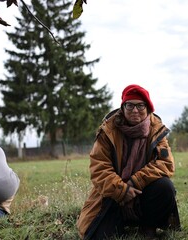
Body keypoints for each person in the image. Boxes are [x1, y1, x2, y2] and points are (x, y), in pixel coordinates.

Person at [77, 84, 180, 239]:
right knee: (101, 235)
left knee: (165, 187)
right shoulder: (108, 132)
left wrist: (135, 182)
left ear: (148, 108)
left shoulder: (157, 130)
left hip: (143, 192)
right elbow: (99, 169)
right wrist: (122, 190)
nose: (135, 110)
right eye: (129, 105)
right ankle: (119, 222)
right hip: (113, 196)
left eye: (140, 106)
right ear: (123, 107)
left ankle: (148, 225)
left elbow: (165, 164)